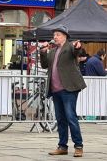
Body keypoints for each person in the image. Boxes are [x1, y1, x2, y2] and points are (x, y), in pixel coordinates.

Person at [40, 25, 86, 157]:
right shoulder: (53, 51)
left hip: (68, 88)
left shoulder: (70, 46)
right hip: (55, 89)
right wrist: (43, 52)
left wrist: (78, 46)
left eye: (58, 35)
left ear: (65, 36)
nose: (55, 37)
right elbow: (44, 65)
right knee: (60, 119)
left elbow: (77, 51)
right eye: (54, 35)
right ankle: (62, 146)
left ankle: (78, 146)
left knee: (71, 117)